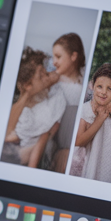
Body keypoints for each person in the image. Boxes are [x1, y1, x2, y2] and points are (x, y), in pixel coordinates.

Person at [3, 47, 66, 168]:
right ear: (27, 85)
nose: (46, 78)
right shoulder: (18, 107)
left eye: (45, 73)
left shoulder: (49, 102)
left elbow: (47, 132)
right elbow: (8, 136)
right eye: (41, 76)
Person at [73, 64, 111, 184]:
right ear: (92, 86)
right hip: (91, 167)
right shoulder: (86, 110)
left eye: (109, 89)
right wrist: (100, 119)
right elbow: (78, 141)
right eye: (100, 87)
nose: (103, 92)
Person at [44, 32, 86, 173]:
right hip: (58, 152)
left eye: (58, 56)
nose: (54, 61)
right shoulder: (53, 86)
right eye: (53, 57)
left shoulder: (86, 87)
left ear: (73, 56)